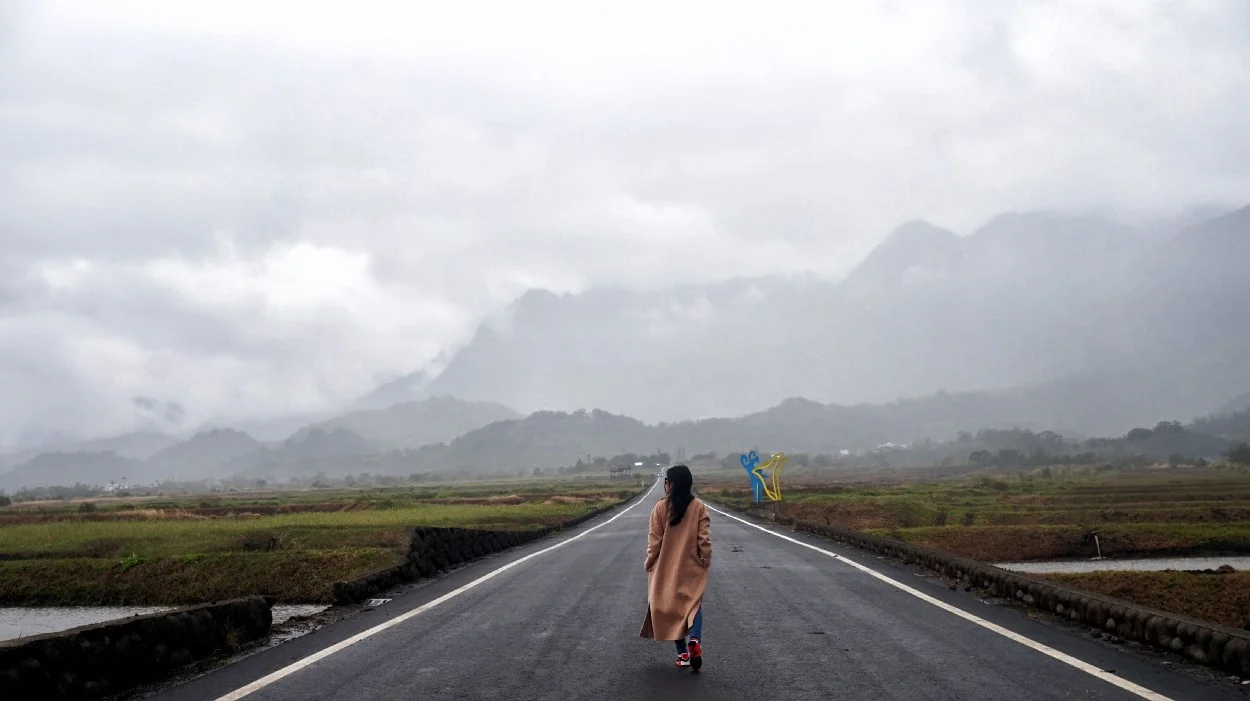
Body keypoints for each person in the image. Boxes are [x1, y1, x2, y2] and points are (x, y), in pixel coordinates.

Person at [639, 464, 712, 672]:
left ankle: (682, 653)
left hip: (664, 568)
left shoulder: (660, 508)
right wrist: (705, 560)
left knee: (669, 608)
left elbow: (654, 542)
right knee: (693, 606)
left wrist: (649, 562)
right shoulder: (699, 507)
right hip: (691, 568)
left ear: (670, 485)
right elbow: (704, 540)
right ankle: (695, 640)